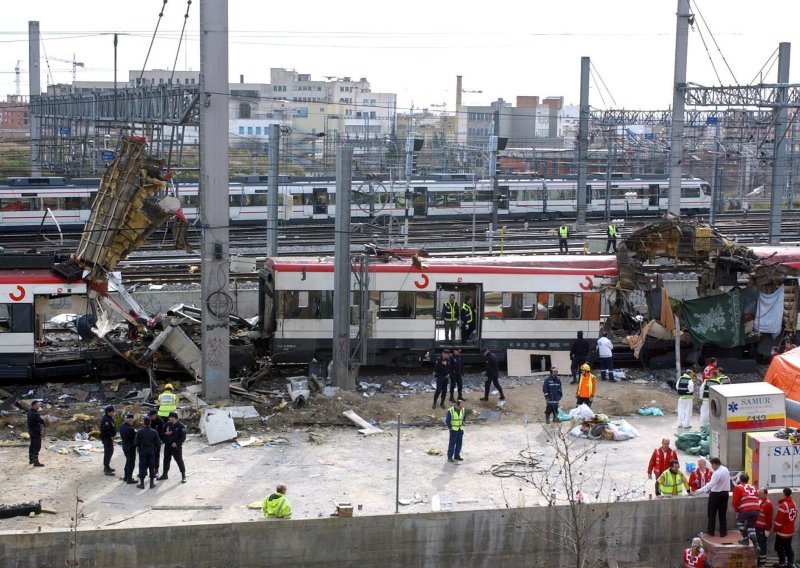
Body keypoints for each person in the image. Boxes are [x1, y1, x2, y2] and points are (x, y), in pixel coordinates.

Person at [692, 457, 731, 538]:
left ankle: (711, 531)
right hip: (725, 494)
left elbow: (710, 485)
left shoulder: (717, 473)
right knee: (722, 514)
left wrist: (698, 491)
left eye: (712, 465)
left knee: (711, 514)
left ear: (715, 464)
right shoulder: (725, 469)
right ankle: (723, 532)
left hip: (716, 495)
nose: (711, 467)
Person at [732, 472, 760, 547]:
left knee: (739, 522)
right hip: (756, 509)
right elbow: (757, 497)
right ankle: (756, 543)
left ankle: (745, 538)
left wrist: (738, 510)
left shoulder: (738, 487)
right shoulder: (753, 487)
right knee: (751, 526)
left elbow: (735, 502)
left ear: (740, 480)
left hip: (746, 509)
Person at [159, 411, 187, 483]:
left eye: (170, 417)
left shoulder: (181, 426)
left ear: (174, 418)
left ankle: (183, 475)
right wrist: (166, 433)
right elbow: (161, 434)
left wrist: (177, 443)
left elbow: (183, 437)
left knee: (179, 460)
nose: (169, 419)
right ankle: (165, 474)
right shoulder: (167, 424)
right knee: (166, 460)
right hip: (168, 446)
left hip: (176, 447)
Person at [134, 416, 161, 489]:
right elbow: (159, 443)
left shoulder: (140, 432)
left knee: (142, 466)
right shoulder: (154, 432)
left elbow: (135, 443)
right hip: (151, 451)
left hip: (143, 451)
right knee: (151, 466)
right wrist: (155, 450)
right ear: (150, 423)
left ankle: (142, 484)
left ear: (143, 423)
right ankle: (151, 484)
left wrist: (140, 446)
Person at [774, 487, 797, 568]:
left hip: (782, 532)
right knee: (788, 547)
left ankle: (782, 563)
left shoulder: (784, 505)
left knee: (778, 547)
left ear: (784, 493)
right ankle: (790, 563)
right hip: (790, 530)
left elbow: (778, 520)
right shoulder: (793, 503)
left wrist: (775, 529)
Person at [755, 488, 773, 567]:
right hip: (756, 527)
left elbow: (769, 518)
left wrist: (767, 530)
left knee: (762, 545)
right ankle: (758, 561)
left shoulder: (768, 504)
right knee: (758, 544)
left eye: (760, 493)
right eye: (758, 492)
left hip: (762, 529)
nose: (758, 494)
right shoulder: (759, 501)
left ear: (765, 494)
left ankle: (762, 563)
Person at [119, 413, 138, 485]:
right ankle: (129, 478)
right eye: (132, 420)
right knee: (131, 462)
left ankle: (126, 476)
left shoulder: (122, 426)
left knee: (128, 461)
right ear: (130, 420)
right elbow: (135, 437)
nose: (133, 422)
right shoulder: (131, 429)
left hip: (124, 446)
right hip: (130, 447)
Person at [147, 409, 166, 478]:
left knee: (156, 456)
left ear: (155, 415)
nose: (150, 417)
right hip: (149, 442)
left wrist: (160, 440)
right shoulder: (149, 421)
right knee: (147, 456)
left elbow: (162, 433)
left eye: (151, 416)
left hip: (157, 442)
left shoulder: (160, 421)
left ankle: (156, 470)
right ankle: (144, 471)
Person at [446, 399, 465, 464]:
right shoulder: (450, 411)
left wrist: (463, 422)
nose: (461, 408)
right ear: (456, 405)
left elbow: (464, 417)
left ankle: (457, 456)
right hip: (453, 430)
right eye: (459, 407)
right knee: (452, 443)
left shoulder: (462, 409)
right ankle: (450, 457)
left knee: (459, 443)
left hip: (460, 429)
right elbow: (447, 420)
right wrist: (450, 428)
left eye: (461, 407)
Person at [27, 399, 45, 467]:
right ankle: (36, 462)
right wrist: (42, 423)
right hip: (36, 432)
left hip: (31, 431)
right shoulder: (35, 413)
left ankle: (31, 459)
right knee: (37, 446)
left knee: (32, 445)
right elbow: (41, 421)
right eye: (38, 405)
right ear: (34, 405)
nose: (39, 406)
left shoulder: (29, 411)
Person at [100, 405, 117, 476]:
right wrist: (110, 436)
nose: (114, 413)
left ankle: (107, 466)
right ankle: (106, 469)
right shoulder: (106, 420)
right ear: (109, 412)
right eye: (113, 411)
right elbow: (105, 431)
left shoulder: (110, 418)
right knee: (108, 453)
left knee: (110, 452)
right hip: (107, 439)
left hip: (109, 438)